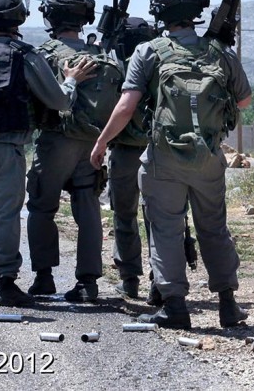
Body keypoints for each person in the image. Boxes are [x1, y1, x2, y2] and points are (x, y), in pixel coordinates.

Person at [90, 0, 252, 330]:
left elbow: (127, 104)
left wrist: (102, 142)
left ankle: (175, 307)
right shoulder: (220, 52)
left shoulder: (148, 52)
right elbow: (244, 100)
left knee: (164, 228)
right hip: (208, 156)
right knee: (214, 229)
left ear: (160, 13)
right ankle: (227, 303)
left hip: (164, 158)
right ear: (196, 13)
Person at [0, 0, 95, 306]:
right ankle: (5, 282)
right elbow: (58, 100)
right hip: (7, 147)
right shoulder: (24, 53)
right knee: (4, 214)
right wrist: (71, 80)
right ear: (19, 18)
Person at [27, 0, 122, 303]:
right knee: (88, 208)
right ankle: (88, 282)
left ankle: (43, 277)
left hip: (55, 141)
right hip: (92, 143)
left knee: (42, 206)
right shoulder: (102, 57)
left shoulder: (45, 53)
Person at [104, 17, 156, 300]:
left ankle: (129, 279)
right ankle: (160, 279)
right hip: (156, 153)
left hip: (124, 153)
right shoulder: (158, 67)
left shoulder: (115, 71)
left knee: (124, 217)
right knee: (158, 219)